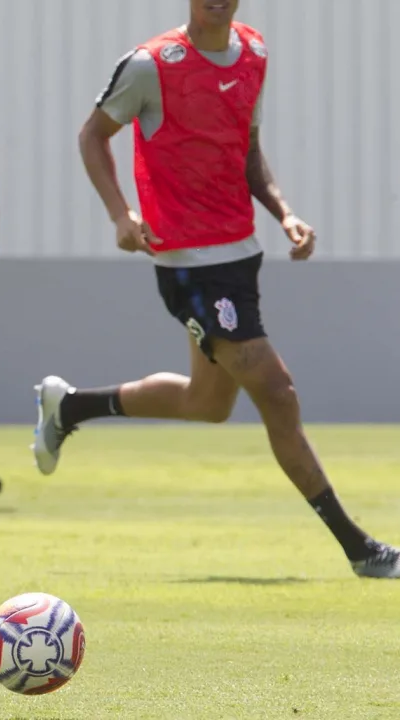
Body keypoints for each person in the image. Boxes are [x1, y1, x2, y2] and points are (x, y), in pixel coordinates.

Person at [33, 0, 400, 579]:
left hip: (240, 253)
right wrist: (120, 215)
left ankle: (70, 405)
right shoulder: (151, 64)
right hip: (188, 262)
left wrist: (284, 214)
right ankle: (360, 547)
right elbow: (91, 136)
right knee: (277, 392)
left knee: (207, 403)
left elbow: (247, 151)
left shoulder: (253, 51)